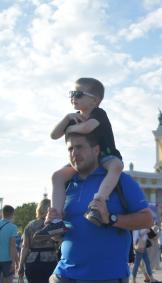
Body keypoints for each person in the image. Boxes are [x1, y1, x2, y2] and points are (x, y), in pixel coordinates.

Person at [47, 132, 153, 282]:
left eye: (79, 147)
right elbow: (58, 236)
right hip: (64, 276)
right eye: (70, 149)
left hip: (107, 277)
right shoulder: (66, 184)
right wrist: (54, 225)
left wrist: (111, 218)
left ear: (96, 150)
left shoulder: (120, 181)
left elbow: (147, 220)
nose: (74, 153)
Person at [37, 77, 124, 237]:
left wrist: (69, 130)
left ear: (94, 100)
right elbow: (54, 135)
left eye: (78, 94)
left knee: (116, 166)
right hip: (82, 162)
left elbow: (87, 127)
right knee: (57, 176)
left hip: (106, 156)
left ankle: (98, 203)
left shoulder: (98, 113)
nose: (73, 98)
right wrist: (66, 118)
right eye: (72, 93)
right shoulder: (73, 118)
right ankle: (56, 219)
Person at [18, 199, 58, 283]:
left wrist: (20, 265)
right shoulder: (55, 225)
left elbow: (25, 247)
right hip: (50, 261)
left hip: (32, 262)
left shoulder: (30, 225)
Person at [0, 205, 18, 283]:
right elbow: (12, 245)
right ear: (12, 214)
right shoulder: (13, 227)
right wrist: (14, 262)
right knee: (8, 280)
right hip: (7, 259)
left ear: (2, 213)